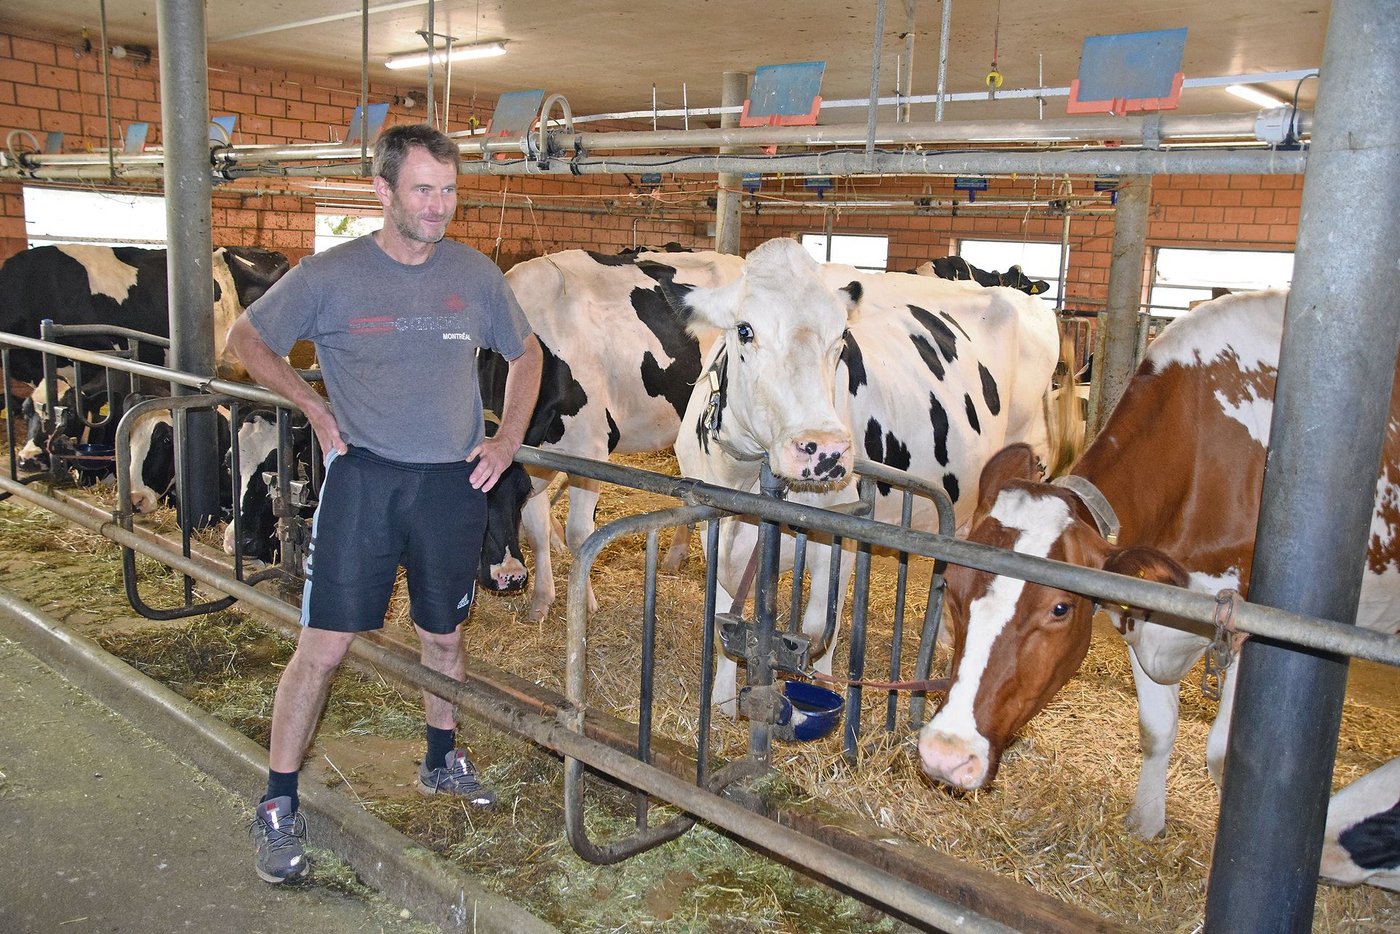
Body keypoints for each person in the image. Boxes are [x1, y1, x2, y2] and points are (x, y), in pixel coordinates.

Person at [226, 123, 542, 884]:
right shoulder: (331, 274)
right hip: (365, 479)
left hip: (450, 484)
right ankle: (277, 801)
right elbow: (246, 338)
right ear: (383, 190)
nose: (439, 206)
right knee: (325, 648)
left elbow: (526, 354)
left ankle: (441, 757)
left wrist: (506, 443)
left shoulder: (474, 272)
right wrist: (311, 405)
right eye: (423, 190)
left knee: (444, 638)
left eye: (448, 190)